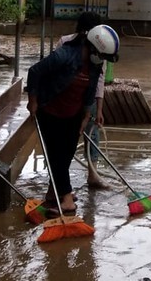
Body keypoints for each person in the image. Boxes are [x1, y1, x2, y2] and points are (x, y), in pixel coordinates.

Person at [26, 24, 119, 214]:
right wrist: (33, 100)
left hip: (73, 113)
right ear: (92, 47)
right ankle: (67, 200)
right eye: (101, 55)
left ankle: (54, 193)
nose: (102, 60)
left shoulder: (95, 64)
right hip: (50, 111)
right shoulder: (65, 55)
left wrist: (87, 114)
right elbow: (35, 72)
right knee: (56, 156)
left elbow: (90, 90)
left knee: (66, 155)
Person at [56, 11, 111, 189]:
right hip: (67, 98)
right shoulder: (65, 42)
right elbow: (52, 72)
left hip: (88, 99)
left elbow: (100, 80)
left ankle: (93, 174)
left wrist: (99, 108)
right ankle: (59, 184)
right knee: (66, 139)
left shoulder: (101, 47)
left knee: (92, 134)